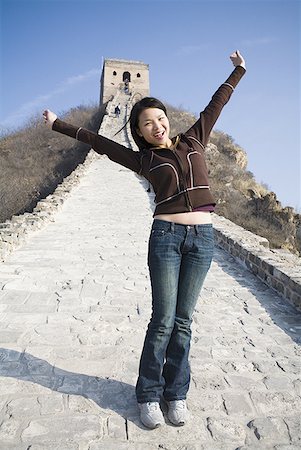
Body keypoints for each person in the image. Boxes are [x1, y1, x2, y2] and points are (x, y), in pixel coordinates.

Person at [43, 50, 246, 429]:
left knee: (184, 322)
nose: (156, 126)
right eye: (147, 123)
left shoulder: (196, 141)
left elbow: (216, 103)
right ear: (139, 131)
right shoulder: (143, 161)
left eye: (159, 119)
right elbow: (98, 142)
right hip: (166, 239)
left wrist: (238, 71)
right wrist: (59, 125)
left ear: (168, 121)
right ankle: (149, 394)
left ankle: (176, 394)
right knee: (163, 321)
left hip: (203, 239)